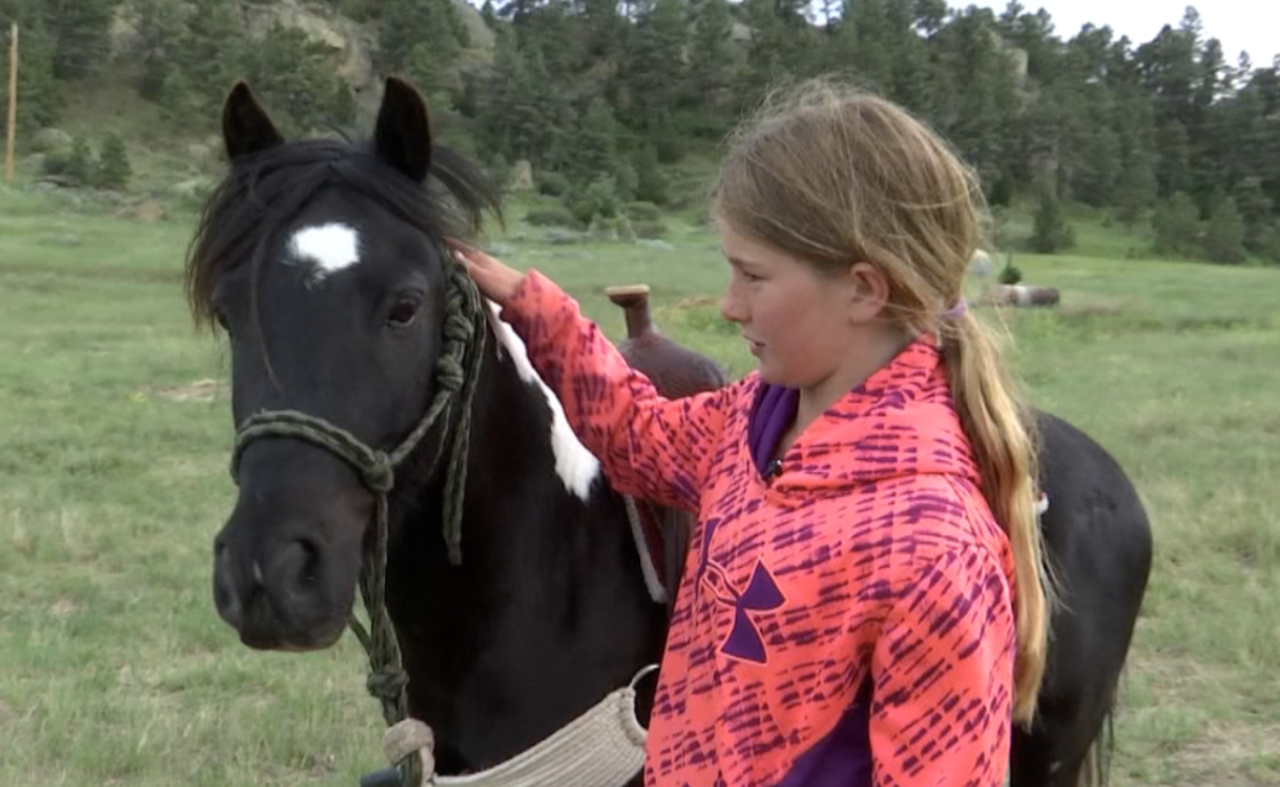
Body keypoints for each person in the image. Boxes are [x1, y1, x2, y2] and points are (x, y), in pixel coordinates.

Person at [452, 77, 1053, 787]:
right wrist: (537, 312)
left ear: (864, 288)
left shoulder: (932, 548)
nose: (730, 305)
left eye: (753, 276)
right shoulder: (752, 420)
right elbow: (639, 434)